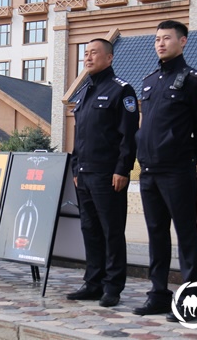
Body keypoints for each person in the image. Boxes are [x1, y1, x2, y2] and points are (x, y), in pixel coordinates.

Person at [132, 20, 197, 321]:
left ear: (183, 42)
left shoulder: (195, 80)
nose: (161, 43)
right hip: (150, 171)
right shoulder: (150, 80)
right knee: (156, 234)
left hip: (177, 170)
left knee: (186, 235)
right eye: (157, 39)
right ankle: (159, 294)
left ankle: (190, 301)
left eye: (167, 38)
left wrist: (187, 156)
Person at [67, 38, 139, 307]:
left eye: (94, 53)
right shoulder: (84, 92)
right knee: (90, 229)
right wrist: (76, 168)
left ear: (109, 58)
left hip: (108, 175)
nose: (88, 57)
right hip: (84, 174)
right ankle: (93, 282)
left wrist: (123, 169)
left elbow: (128, 135)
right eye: (85, 53)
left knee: (111, 231)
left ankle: (113, 286)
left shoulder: (122, 90)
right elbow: (80, 136)